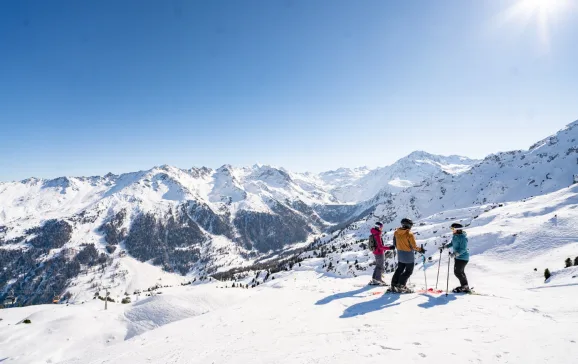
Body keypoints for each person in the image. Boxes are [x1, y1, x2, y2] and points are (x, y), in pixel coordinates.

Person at [390, 218, 425, 292]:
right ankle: (401, 285)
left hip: (400, 254)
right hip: (408, 255)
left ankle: (394, 284)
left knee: (399, 269)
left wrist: (400, 247)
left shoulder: (396, 232)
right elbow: (414, 246)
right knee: (408, 271)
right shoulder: (409, 234)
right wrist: (421, 250)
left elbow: (395, 243)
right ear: (408, 225)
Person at [442, 223, 470, 293]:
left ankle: (465, 286)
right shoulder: (455, 236)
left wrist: (455, 254)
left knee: (457, 272)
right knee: (460, 272)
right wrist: (445, 247)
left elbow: (463, 249)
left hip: (463, 258)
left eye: (452, 229)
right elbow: (452, 244)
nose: (452, 230)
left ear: (457, 229)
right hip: (457, 258)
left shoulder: (463, 238)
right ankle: (465, 286)